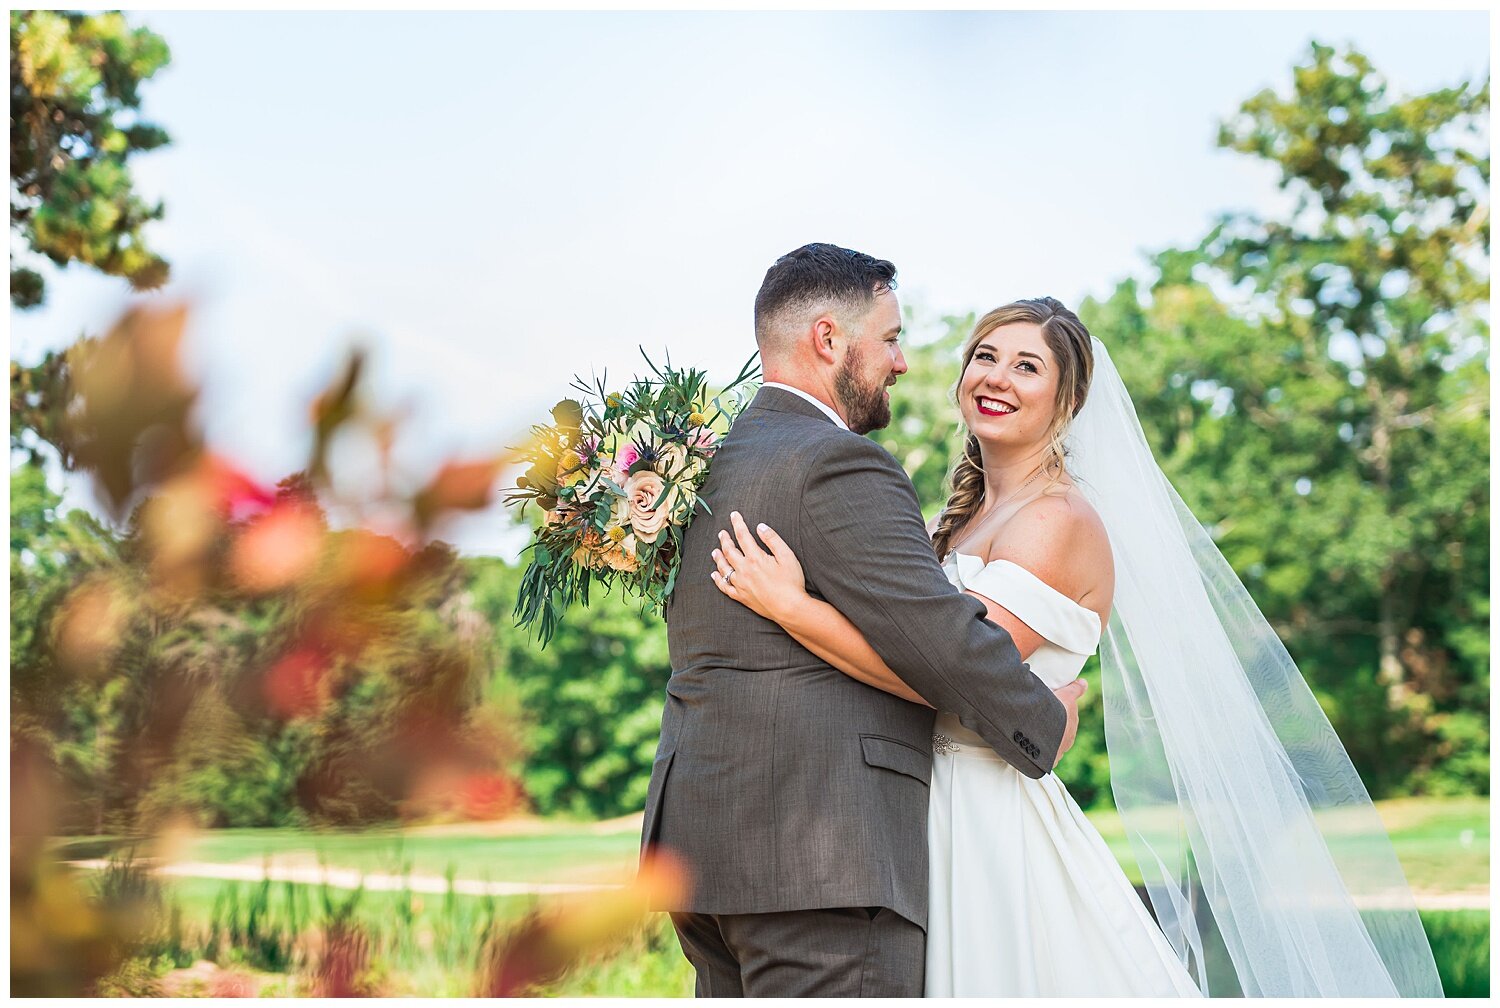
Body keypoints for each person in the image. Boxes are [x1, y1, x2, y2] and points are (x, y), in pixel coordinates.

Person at [711, 297, 1443, 997]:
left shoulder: (1057, 520)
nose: (996, 377)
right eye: (985, 356)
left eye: (1028, 367)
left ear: (1067, 403)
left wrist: (792, 608)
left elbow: (950, 673)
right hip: (917, 809)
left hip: (988, 821)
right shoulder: (960, 517)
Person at [639, 245, 1087, 997]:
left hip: (702, 847)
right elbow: (945, 647)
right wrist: (1042, 721)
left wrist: (794, 609)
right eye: (890, 339)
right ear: (827, 339)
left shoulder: (704, 467)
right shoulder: (838, 464)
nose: (903, 363)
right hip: (819, 859)